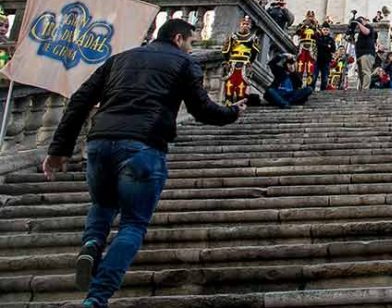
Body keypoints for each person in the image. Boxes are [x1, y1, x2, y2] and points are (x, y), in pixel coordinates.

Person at [42, 19, 244, 308]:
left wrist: (59, 149)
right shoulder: (184, 63)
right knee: (133, 225)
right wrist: (232, 112)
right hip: (144, 146)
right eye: (191, 43)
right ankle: (97, 298)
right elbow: (201, 110)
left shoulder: (119, 59)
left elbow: (79, 101)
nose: (191, 48)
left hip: (99, 144)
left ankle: (91, 245)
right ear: (178, 39)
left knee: (102, 205)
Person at [293, 11, 319, 87]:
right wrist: (304, 25)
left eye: (311, 16)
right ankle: (298, 84)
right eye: (309, 16)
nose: (310, 17)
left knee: (310, 66)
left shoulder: (316, 24)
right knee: (300, 65)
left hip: (312, 46)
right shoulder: (302, 24)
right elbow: (297, 32)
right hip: (302, 46)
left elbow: (319, 34)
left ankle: (309, 85)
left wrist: (314, 26)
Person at [353, 16, 377, 90]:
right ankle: (361, 88)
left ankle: (365, 89)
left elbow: (366, 32)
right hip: (359, 54)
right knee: (360, 74)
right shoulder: (359, 33)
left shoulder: (369, 27)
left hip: (367, 54)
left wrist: (359, 23)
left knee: (366, 72)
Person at [314, 24, 337, 91]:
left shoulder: (331, 39)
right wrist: (327, 46)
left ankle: (323, 90)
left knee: (325, 78)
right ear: (321, 30)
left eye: (327, 30)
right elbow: (318, 45)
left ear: (329, 31)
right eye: (324, 30)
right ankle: (312, 89)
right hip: (318, 59)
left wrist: (325, 46)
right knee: (314, 76)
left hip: (326, 60)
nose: (325, 31)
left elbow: (333, 49)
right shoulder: (318, 38)